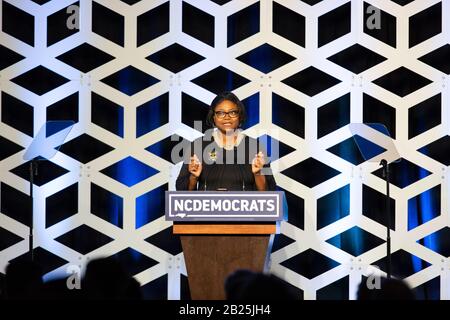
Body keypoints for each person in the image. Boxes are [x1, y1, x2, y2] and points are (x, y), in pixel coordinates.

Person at [176, 91, 276, 191]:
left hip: (244, 206)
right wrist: (194, 177)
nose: (227, 117)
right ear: (213, 117)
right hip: (207, 206)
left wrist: (258, 174)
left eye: (233, 112)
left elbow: (269, 195)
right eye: (221, 113)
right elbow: (182, 194)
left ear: (239, 115)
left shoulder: (255, 147)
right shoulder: (198, 145)